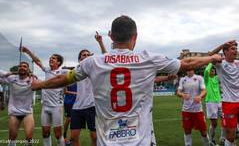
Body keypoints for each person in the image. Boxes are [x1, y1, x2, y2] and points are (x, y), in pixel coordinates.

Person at [31, 15, 223, 146]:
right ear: (135, 37)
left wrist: (38, 85)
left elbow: (63, 78)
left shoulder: (93, 62)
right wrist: (212, 58)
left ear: (112, 36)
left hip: (108, 140)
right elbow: (188, 62)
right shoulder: (148, 59)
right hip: (141, 140)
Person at [22, 47, 66, 146]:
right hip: (45, 106)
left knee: (58, 134)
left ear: (58, 63)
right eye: (50, 58)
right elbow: (37, 61)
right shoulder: (47, 70)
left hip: (57, 107)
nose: (51, 59)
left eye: (53, 58)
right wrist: (28, 51)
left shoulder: (63, 72)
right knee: (45, 133)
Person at [209, 41, 239, 146]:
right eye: (232, 49)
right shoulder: (220, 64)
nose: (235, 51)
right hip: (229, 103)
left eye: (236, 49)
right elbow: (210, 56)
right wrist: (222, 45)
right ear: (225, 51)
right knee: (231, 137)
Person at [0, 62, 35, 146]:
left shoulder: (33, 79)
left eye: (25, 66)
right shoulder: (12, 78)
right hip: (14, 112)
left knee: (29, 138)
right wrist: (11, 73)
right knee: (12, 138)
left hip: (27, 112)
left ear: (28, 69)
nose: (22, 67)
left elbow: (44, 84)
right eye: (20, 66)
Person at [177, 69, 209, 146]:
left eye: (190, 68)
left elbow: (204, 91)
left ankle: (207, 144)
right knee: (187, 130)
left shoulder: (199, 78)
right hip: (186, 110)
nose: (188, 70)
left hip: (198, 110)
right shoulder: (182, 79)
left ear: (193, 69)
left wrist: (200, 96)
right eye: (187, 68)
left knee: (203, 132)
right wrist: (182, 95)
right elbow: (178, 92)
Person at [203, 63, 225, 145]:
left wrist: (218, 64)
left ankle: (223, 138)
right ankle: (211, 140)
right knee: (214, 123)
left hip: (220, 102)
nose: (212, 70)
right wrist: (211, 62)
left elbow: (221, 72)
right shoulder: (206, 79)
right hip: (210, 103)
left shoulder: (216, 78)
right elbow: (206, 70)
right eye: (211, 69)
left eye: (214, 69)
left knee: (225, 120)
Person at [63, 80, 77, 145]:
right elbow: (65, 92)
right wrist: (75, 93)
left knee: (74, 120)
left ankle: (72, 139)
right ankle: (64, 136)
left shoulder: (79, 78)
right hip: (68, 102)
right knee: (68, 119)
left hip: (77, 102)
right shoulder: (67, 79)